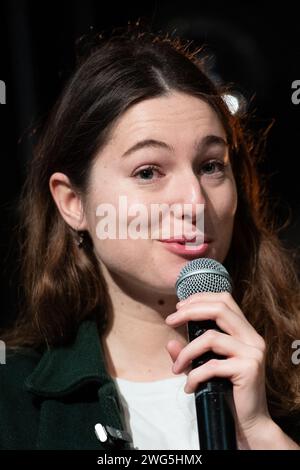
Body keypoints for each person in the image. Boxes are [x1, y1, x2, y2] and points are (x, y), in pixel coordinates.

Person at [1, 26, 300, 451]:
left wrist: (263, 434)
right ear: (73, 203)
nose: (194, 201)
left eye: (211, 165)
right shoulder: (13, 401)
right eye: (148, 172)